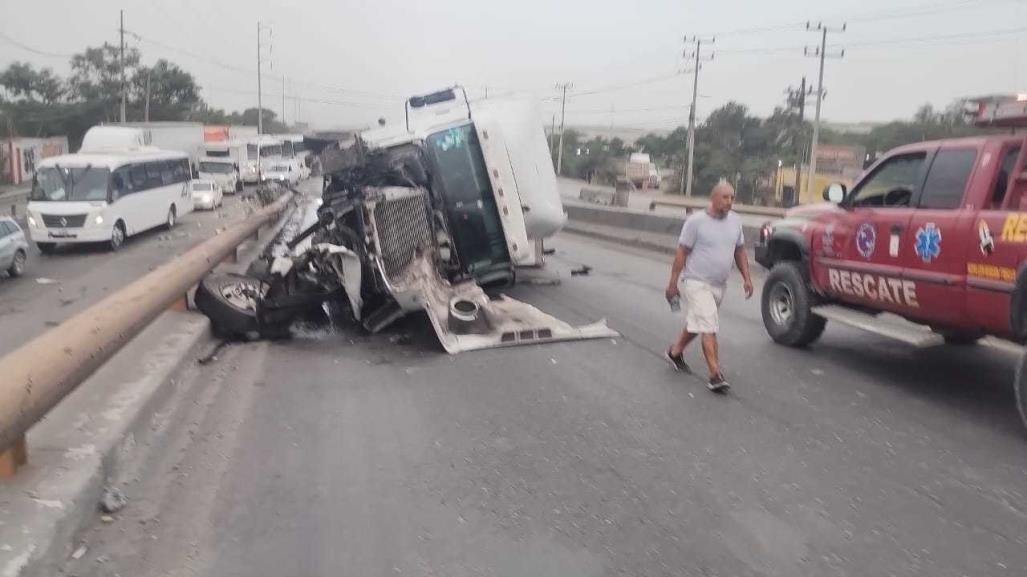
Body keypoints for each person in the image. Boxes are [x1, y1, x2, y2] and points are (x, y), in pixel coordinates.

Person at [665, 179, 753, 392]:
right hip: (696, 281)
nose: (730, 201)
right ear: (713, 198)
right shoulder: (696, 222)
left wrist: (747, 278)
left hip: (719, 285)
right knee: (709, 325)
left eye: (732, 197)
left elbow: (739, 251)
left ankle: (675, 352)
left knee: (700, 322)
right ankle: (715, 374)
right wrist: (672, 284)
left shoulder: (735, 221)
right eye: (725, 197)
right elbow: (681, 253)